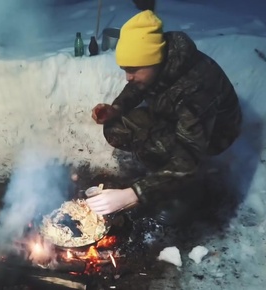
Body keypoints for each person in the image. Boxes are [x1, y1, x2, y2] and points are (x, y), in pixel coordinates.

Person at [85, 2, 242, 225]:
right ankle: (161, 175)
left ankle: (186, 194)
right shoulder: (156, 61)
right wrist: (116, 109)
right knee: (117, 127)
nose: (127, 77)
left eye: (132, 70)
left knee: (174, 158)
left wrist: (133, 194)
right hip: (173, 118)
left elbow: (188, 158)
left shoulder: (196, 88)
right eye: (125, 69)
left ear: (154, 61)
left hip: (212, 135)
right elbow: (136, 86)